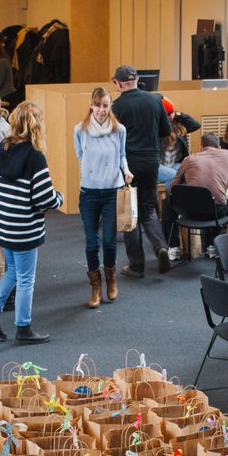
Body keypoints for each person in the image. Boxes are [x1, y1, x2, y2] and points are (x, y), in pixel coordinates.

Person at [0, 101, 65, 344]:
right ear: (36, 125)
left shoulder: (1, 149)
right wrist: (60, 198)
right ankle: (23, 328)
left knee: (13, 271)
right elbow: (44, 199)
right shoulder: (36, 156)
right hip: (25, 228)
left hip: (3, 225)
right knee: (26, 278)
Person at [111, 64, 173, 277]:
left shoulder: (116, 107)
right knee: (148, 208)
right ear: (137, 80)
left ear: (118, 84)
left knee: (130, 212)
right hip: (151, 161)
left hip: (129, 164)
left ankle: (136, 266)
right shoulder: (155, 101)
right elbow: (166, 130)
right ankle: (161, 247)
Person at [74, 86, 132, 308]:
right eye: (97, 105)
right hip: (88, 193)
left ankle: (111, 279)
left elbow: (122, 155)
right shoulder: (80, 130)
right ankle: (95, 288)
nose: (101, 110)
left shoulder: (119, 130)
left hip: (111, 192)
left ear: (110, 107)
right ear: (91, 105)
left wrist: (125, 170)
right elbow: (81, 156)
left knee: (109, 242)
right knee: (91, 243)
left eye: (105, 106)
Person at [157, 99, 201, 189]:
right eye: (167, 114)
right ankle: (171, 201)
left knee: (189, 175)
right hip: (158, 165)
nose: (170, 116)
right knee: (175, 177)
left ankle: (181, 200)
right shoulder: (156, 126)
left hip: (174, 164)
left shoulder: (179, 126)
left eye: (172, 113)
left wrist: (178, 114)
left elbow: (196, 125)